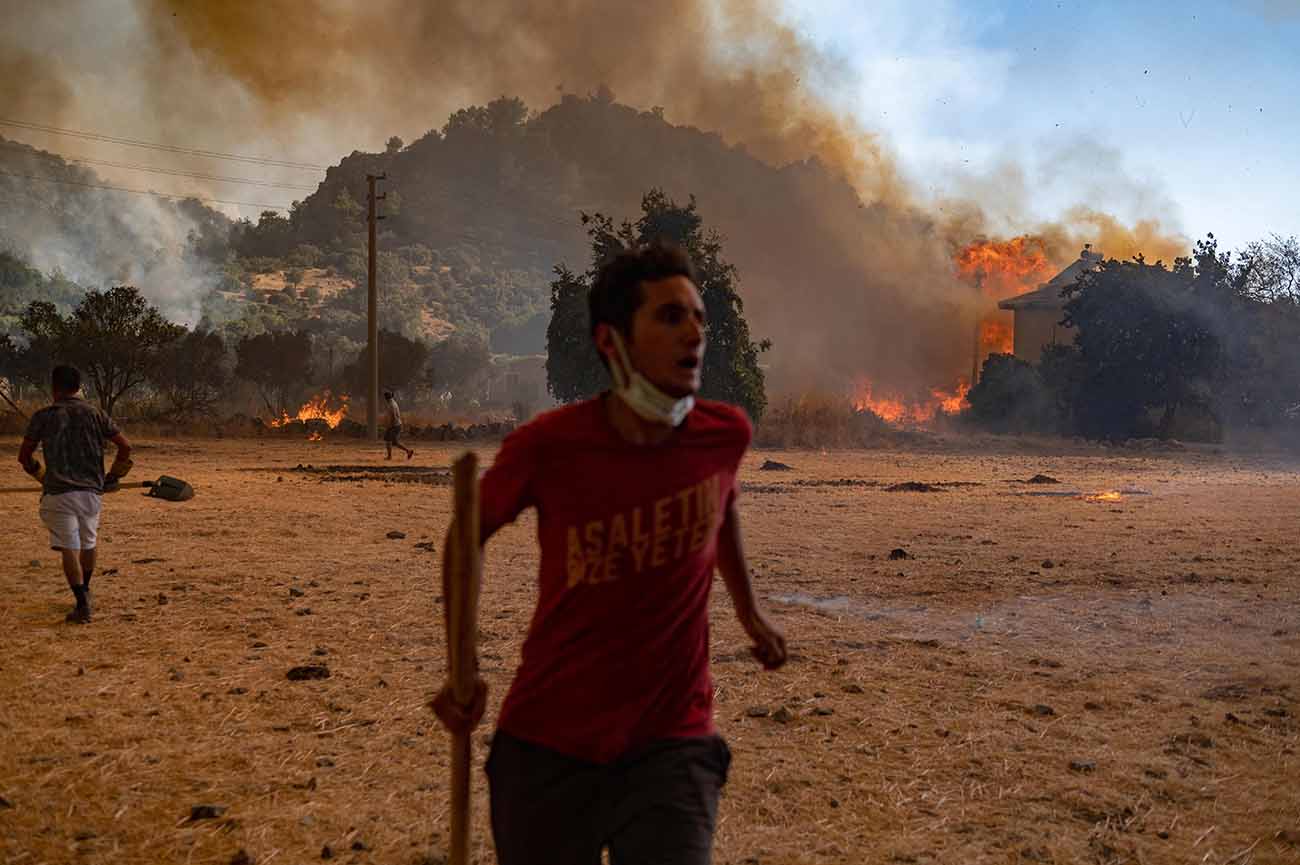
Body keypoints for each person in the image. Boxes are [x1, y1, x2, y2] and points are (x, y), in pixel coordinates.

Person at [433, 242, 788, 865]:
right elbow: (466, 535)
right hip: (548, 744)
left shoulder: (724, 433)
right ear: (611, 342)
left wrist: (749, 613)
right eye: (670, 317)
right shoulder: (548, 446)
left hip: (673, 742)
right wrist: (461, 664)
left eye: (700, 318)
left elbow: (722, 506)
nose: (694, 334)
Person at [17, 365, 132, 624]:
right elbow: (125, 446)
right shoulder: (95, 414)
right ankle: (86, 590)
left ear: (54, 387)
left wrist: (41, 475)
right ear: (78, 386)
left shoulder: (43, 416)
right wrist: (113, 476)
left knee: (69, 546)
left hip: (58, 493)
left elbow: (24, 457)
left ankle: (81, 603)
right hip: (91, 493)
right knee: (88, 541)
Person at [383, 390, 414, 460]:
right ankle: (408, 451)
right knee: (394, 442)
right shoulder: (393, 402)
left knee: (388, 440)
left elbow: (394, 416)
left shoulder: (391, 405)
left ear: (386, 398)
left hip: (394, 425)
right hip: (397, 425)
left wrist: (390, 426)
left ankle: (389, 457)